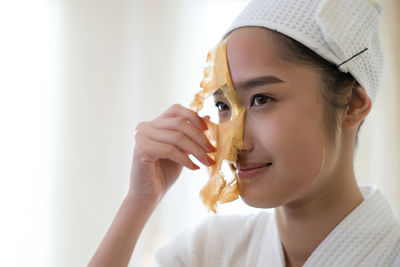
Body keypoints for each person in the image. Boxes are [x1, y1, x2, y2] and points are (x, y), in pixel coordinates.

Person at [88, 0, 400, 266]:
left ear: (352, 104)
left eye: (261, 99)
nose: (235, 140)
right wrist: (139, 200)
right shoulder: (209, 250)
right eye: (223, 106)